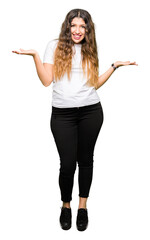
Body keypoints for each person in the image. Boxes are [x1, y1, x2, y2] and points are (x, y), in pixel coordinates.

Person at [12, 8, 138, 231]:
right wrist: (35, 56)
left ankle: (83, 207)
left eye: (83, 26)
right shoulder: (55, 46)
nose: (78, 30)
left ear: (87, 29)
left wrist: (114, 67)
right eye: (74, 25)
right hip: (62, 115)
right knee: (67, 164)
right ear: (67, 26)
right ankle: (65, 206)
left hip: (91, 111)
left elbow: (94, 84)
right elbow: (46, 80)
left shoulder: (90, 49)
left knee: (86, 161)